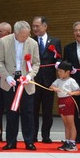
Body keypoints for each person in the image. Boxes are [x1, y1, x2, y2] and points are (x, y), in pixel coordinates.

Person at [0, 20, 40, 151]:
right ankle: (11, 141)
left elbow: (36, 63)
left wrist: (30, 76)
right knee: (11, 112)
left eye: (27, 35)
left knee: (28, 112)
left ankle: (29, 141)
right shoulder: (4, 42)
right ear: (15, 33)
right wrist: (7, 76)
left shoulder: (33, 43)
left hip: (26, 80)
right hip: (10, 80)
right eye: (22, 36)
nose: (25, 38)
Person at [31, 16, 63, 144]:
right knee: (33, 110)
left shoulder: (55, 41)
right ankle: (32, 135)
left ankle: (46, 135)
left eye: (37, 26)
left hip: (49, 81)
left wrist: (58, 63)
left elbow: (59, 57)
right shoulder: (30, 41)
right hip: (34, 80)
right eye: (33, 26)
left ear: (45, 26)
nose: (35, 29)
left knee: (47, 110)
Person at [63, 21, 80, 144]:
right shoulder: (68, 48)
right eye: (76, 30)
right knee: (76, 110)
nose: (78, 33)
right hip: (74, 83)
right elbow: (65, 63)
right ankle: (77, 136)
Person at [50, 61, 80, 151]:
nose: (59, 73)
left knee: (71, 123)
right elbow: (51, 87)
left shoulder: (71, 81)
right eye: (58, 71)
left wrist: (72, 92)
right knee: (66, 123)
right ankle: (67, 141)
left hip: (68, 101)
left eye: (61, 71)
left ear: (67, 72)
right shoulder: (58, 80)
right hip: (61, 101)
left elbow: (79, 91)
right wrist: (54, 88)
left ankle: (72, 143)